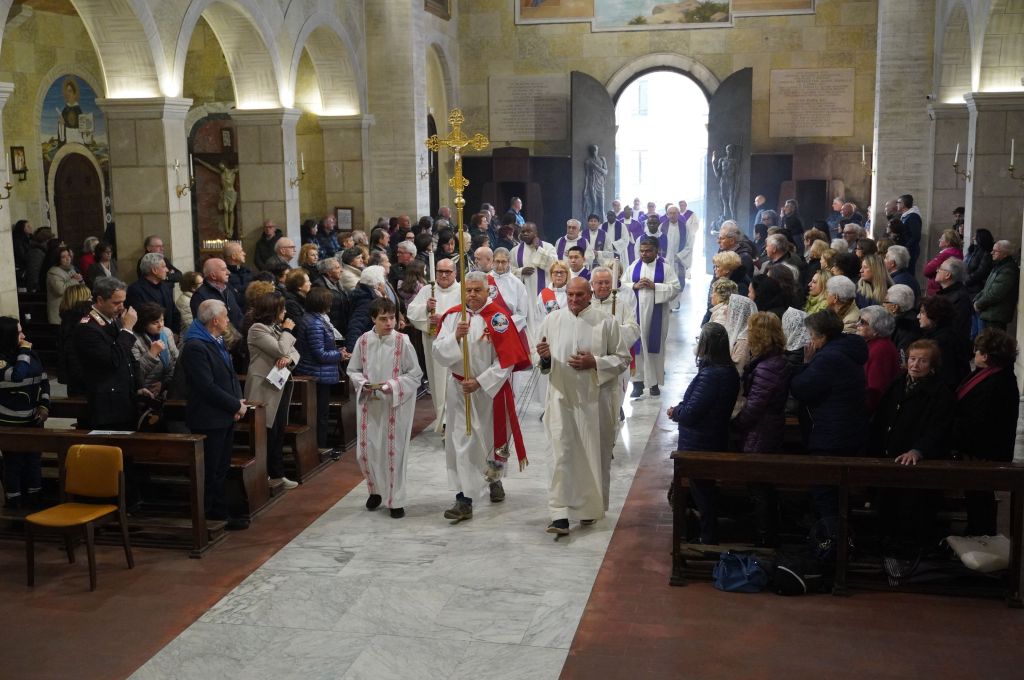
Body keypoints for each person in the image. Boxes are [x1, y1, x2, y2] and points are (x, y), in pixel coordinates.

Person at [433, 271, 530, 521]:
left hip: (489, 391)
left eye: (478, 290)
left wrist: (481, 381)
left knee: (489, 439)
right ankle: (464, 498)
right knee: (462, 441)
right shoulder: (454, 316)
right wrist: (455, 336)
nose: (472, 295)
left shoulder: (498, 318)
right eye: (468, 290)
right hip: (459, 390)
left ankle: (494, 480)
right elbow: (438, 352)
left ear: (488, 291)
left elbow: (507, 359)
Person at [536, 278, 629, 535]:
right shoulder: (552, 320)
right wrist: (544, 358)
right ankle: (560, 514)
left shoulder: (606, 322)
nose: (574, 300)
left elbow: (623, 359)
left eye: (580, 295)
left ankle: (588, 509)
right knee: (560, 455)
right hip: (560, 399)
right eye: (570, 295)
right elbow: (541, 361)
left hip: (593, 402)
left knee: (591, 455)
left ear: (590, 295)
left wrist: (595, 362)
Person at [871, 339, 955, 546]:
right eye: (912, 359)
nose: (915, 365)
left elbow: (939, 428)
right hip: (890, 455)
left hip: (917, 462)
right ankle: (886, 547)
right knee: (886, 507)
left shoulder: (940, 393)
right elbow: (882, 417)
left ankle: (908, 550)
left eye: (923, 361)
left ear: (932, 366)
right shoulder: (898, 383)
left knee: (912, 511)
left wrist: (918, 450)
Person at [347, 298, 423, 519]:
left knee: (393, 453)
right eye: (383, 319)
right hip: (370, 403)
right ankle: (375, 490)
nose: (389, 322)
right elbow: (353, 369)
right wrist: (362, 383)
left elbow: (415, 374)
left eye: (392, 317)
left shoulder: (403, 341)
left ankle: (395, 500)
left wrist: (392, 385)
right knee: (366, 451)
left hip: (394, 405)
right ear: (373, 319)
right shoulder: (363, 341)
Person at [666, 322, 739, 544]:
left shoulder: (713, 375)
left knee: (701, 490)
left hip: (700, 442)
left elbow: (691, 412)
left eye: (700, 340)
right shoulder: (725, 370)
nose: (697, 344)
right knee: (702, 489)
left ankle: (707, 537)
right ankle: (706, 532)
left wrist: (676, 411)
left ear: (708, 345)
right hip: (709, 437)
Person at [790, 310, 867, 519]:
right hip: (845, 430)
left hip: (831, 435)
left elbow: (801, 388)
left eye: (811, 335)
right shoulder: (846, 349)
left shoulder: (828, 359)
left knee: (826, 494)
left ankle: (832, 543)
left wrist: (805, 365)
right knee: (836, 494)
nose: (810, 340)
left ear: (822, 336)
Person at [180, 299, 248, 530]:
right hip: (208, 418)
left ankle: (221, 512)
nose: (229, 320)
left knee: (221, 467)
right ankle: (212, 514)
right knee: (212, 469)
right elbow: (205, 386)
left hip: (223, 414)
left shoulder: (215, 340)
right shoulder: (195, 346)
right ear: (215, 320)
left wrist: (237, 403)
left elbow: (229, 375)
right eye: (226, 316)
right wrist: (234, 406)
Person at [731, 312, 792, 546]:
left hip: (761, 432)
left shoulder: (770, 366)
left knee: (760, 485)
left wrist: (737, 424)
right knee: (760, 485)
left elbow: (756, 405)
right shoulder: (772, 359)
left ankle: (765, 538)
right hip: (765, 428)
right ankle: (764, 532)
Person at [955, 328, 1020, 535]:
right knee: (976, 495)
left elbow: (983, 419)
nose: (975, 354)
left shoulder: (999, 382)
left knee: (980, 496)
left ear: (987, 355)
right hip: (977, 450)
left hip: (984, 452)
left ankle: (981, 533)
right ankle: (978, 530)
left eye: (978, 351)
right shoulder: (989, 373)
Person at [244, 291, 301, 491]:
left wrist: (289, 359)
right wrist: (287, 331)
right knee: (266, 434)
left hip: (280, 385)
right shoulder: (257, 329)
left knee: (278, 432)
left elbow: (293, 352)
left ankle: (277, 475)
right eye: (282, 308)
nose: (285, 312)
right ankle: (265, 475)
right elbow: (279, 349)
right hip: (264, 389)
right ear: (272, 310)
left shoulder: (274, 328)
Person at [71, 277, 139, 430]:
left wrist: (138, 385)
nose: (122, 307)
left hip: (123, 399)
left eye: (123, 302)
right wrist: (127, 329)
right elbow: (112, 360)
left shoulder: (111, 320)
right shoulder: (87, 328)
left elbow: (127, 358)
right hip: (106, 405)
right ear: (100, 300)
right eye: (116, 303)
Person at [0, 317, 50, 508]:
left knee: (33, 460)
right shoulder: (6, 359)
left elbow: (43, 380)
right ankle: (15, 503)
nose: (24, 336)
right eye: (19, 332)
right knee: (14, 463)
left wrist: (44, 404)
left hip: (33, 418)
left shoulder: (30, 354)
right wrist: (23, 351)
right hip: (9, 421)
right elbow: (16, 375)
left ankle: (35, 499)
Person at [622, 236, 681, 398]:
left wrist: (655, 286)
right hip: (636, 314)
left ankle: (654, 384)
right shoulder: (633, 266)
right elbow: (621, 285)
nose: (644, 254)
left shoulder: (665, 268)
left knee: (655, 347)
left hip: (657, 315)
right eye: (641, 251)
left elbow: (675, 287)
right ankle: (637, 384)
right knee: (637, 347)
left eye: (648, 251)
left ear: (656, 251)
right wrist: (634, 285)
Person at [407, 258, 462, 430]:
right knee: (437, 381)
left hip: (456, 343)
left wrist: (443, 319)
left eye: (448, 272)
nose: (444, 275)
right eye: (440, 272)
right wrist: (425, 307)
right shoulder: (427, 290)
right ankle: (443, 420)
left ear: (455, 273)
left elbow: (467, 315)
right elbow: (411, 312)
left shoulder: (463, 290)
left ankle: (456, 419)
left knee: (454, 380)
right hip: (433, 341)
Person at [296, 287, 346, 459]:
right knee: (320, 414)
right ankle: (321, 448)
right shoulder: (314, 323)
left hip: (318, 373)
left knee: (321, 413)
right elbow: (320, 354)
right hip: (317, 374)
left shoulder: (313, 319)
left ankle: (322, 445)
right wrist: (340, 355)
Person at [590, 266, 640, 418]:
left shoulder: (621, 305)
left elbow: (633, 329)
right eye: (600, 283)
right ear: (592, 284)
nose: (604, 286)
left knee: (614, 397)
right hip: (593, 361)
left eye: (607, 282)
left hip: (615, 360)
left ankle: (616, 408)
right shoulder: (586, 304)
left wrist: (613, 332)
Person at [512, 222, 557, 343]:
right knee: (529, 323)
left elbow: (554, 266)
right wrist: (521, 271)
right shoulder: (515, 251)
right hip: (525, 294)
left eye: (528, 231)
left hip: (544, 292)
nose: (525, 233)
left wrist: (539, 249)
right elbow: (510, 271)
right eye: (523, 231)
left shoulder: (548, 247)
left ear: (536, 233)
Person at [918, 295, 971, 389]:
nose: (918, 316)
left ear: (934, 315)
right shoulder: (945, 333)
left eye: (922, 312)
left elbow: (946, 375)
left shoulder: (942, 341)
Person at [857, 305, 900, 414]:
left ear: (876, 329)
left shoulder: (881, 350)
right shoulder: (873, 344)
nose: (857, 324)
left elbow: (876, 390)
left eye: (862, 322)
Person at [130, 302, 179, 397]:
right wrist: (152, 354)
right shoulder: (133, 339)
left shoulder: (166, 332)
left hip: (166, 387)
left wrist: (164, 383)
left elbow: (176, 361)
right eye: (155, 322)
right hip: (145, 391)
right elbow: (135, 374)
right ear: (143, 323)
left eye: (162, 320)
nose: (161, 325)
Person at [127, 252, 181, 334]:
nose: (167, 270)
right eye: (164, 266)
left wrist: (175, 333)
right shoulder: (135, 290)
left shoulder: (165, 286)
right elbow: (140, 319)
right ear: (154, 270)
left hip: (169, 334)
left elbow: (174, 311)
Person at [974, 239, 1020, 331]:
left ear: (1005, 253)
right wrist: (976, 299)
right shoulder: (999, 265)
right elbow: (987, 287)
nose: (992, 253)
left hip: (996, 316)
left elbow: (995, 293)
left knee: (991, 343)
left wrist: (979, 303)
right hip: (989, 312)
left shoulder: (1008, 270)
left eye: (995, 251)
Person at [191, 258, 243, 332]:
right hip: (218, 341)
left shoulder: (228, 289)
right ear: (213, 275)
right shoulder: (200, 296)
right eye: (223, 269)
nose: (228, 272)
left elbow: (238, 315)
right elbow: (205, 326)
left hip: (236, 338)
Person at [56, 284, 91, 394]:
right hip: (83, 375)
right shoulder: (79, 321)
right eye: (89, 297)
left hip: (73, 375)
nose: (92, 300)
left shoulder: (67, 319)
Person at [346, 265, 388, 353]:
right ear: (378, 285)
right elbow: (356, 325)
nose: (385, 285)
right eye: (384, 281)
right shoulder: (367, 301)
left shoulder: (370, 296)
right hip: (367, 348)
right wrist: (353, 351)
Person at [964, 228, 994, 337]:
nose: (973, 238)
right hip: (970, 289)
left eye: (975, 236)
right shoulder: (974, 250)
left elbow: (981, 271)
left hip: (977, 289)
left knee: (979, 322)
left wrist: (966, 281)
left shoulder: (986, 253)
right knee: (973, 324)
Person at [934, 257, 973, 340]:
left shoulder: (960, 298)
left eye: (940, 268)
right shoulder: (944, 293)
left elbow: (954, 327)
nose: (937, 270)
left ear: (948, 275)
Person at [46, 245, 84, 324]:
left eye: (68, 255)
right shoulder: (53, 272)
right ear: (58, 259)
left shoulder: (71, 269)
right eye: (63, 257)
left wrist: (80, 280)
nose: (68, 258)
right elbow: (60, 290)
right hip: (59, 313)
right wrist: (75, 280)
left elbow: (81, 287)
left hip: (71, 310)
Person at [883, 284, 921, 363]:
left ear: (894, 307)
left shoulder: (907, 327)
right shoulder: (912, 318)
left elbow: (902, 359)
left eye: (885, 301)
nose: (882, 305)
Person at [923, 229, 963, 297]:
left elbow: (927, 271)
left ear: (948, 242)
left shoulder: (946, 254)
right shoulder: (957, 252)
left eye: (942, 238)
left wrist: (930, 264)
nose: (939, 240)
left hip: (938, 289)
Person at [896, 194, 923, 272]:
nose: (897, 204)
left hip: (910, 250)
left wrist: (906, 246)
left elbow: (916, 236)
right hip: (905, 248)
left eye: (898, 202)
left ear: (903, 204)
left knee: (908, 272)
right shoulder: (906, 216)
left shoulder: (912, 217)